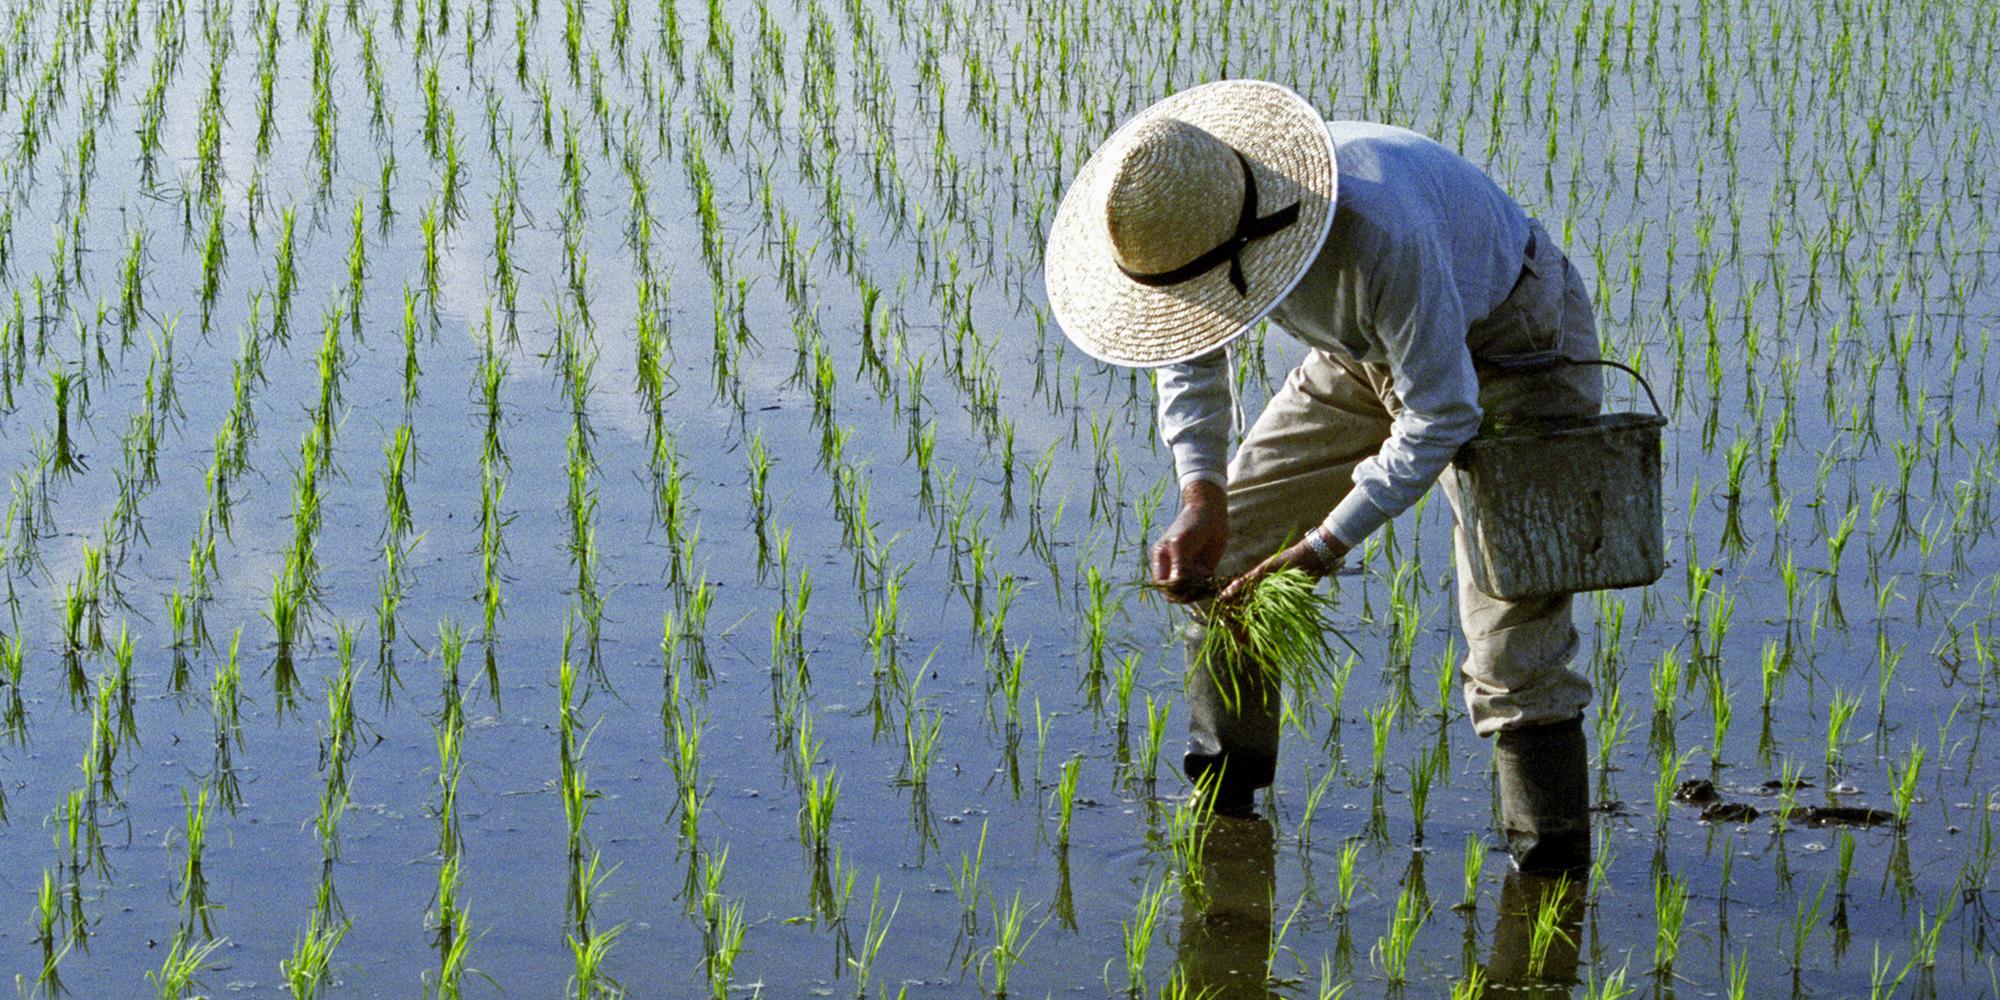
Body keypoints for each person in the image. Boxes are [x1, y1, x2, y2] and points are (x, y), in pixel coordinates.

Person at [1043, 80, 1598, 874]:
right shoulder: (1189, 226)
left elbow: (1442, 413)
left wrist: (1319, 550)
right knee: (1229, 564)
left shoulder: (1379, 228)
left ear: (1249, 245)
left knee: (1513, 641)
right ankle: (1225, 810)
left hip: (1518, 345)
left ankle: (1550, 881)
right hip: (1363, 352)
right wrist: (1203, 494)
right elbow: (1190, 348)